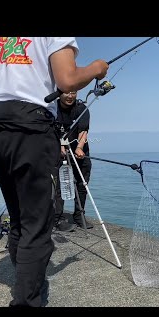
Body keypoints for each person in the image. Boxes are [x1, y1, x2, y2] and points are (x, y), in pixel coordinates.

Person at [0, 37, 108, 307]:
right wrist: (97, 68)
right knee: (37, 224)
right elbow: (67, 81)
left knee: (19, 215)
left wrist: (4, 121)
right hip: (31, 127)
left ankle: (27, 281)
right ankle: (27, 299)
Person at [54, 91, 94, 232]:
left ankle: (79, 216)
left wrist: (79, 147)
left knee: (82, 184)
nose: (70, 96)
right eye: (66, 93)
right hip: (59, 151)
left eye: (73, 93)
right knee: (60, 185)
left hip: (80, 151)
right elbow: (51, 130)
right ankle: (57, 217)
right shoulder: (53, 108)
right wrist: (60, 145)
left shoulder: (81, 108)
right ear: (59, 93)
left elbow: (83, 131)